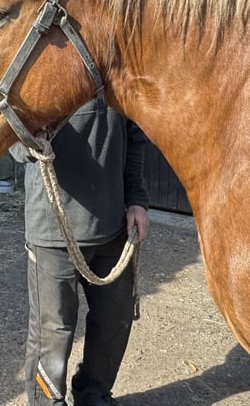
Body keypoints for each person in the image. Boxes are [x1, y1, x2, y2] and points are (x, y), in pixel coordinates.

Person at [13, 97, 150, 406]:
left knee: (116, 318)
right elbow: (13, 140)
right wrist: (33, 139)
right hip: (53, 229)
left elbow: (134, 135)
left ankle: (93, 393)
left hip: (113, 225)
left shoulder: (115, 76)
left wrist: (137, 199)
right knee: (53, 332)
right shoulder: (39, 78)